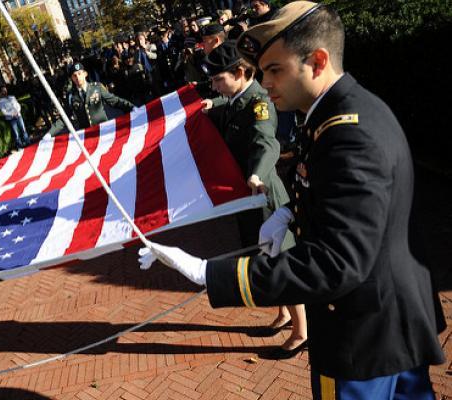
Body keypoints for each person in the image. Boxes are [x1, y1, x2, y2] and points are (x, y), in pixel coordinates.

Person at [139, 2, 445, 398]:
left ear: (317, 61)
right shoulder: (330, 114)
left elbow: (335, 262)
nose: (264, 82)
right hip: (385, 319)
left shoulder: (348, 133)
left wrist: (209, 273)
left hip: (363, 335)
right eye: (263, 71)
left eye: (275, 70)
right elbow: (339, 200)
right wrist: (288, 211)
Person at [202, 40, 305, 358]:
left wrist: (257, 173)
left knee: (280, 260)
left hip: (264, 195)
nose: (215, 85)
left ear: (241, 72)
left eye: (219, 79)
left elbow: (266, 142)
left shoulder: (259, 103)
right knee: (265, 256)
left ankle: (302, 332)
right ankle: (284, 314)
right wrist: (211, 105)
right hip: (247, 197)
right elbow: (229, 108)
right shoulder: (235, 100)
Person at [47, 62, 134, 137]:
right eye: (74, 75)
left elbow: (115, 101)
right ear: (72, 78)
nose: (77, 77)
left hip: (105, 131)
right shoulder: (71, 96)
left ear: (85, 74)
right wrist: (49, 134)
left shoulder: (97, 87)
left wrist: (132, 108)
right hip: (87, 136)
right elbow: (64, 118)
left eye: (79, 73)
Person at [0, 86, 30, 150]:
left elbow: (18, 105)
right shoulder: (1, 102)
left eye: (5, 90)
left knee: (23, 129)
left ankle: (27, 142)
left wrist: (17, 111)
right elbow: (4, 111)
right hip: (11, 118)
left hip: (18, 115)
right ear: (1, 92)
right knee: (16, 133)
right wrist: (12, 114)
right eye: (3, 91)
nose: (5, 92)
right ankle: (20, 146)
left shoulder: (12, 97)